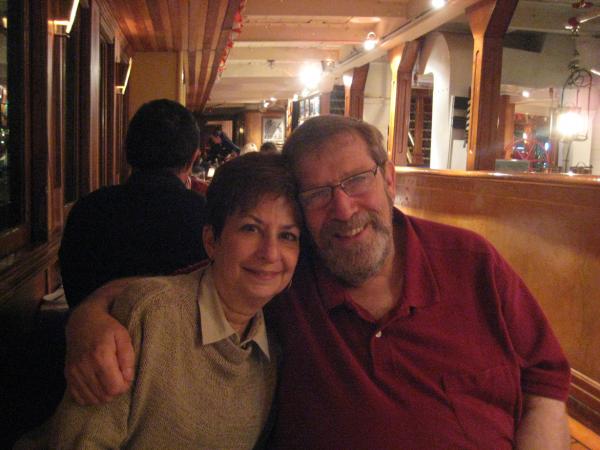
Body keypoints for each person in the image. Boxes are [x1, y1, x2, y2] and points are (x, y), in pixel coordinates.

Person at [64, 115, 571, 449]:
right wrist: (88, 318)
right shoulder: (288, 275)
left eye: (356, 181)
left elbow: (546, 383)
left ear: (389, 179)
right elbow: (183, 290)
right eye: (318, 194)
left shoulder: (471, 261)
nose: (343, 209)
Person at [24, 153, 301, 448]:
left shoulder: (273, 351)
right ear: (211, 241)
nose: (270, 253)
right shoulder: (149, 315)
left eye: (287, 236)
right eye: (250, 228)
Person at [59, 99, 208, 309]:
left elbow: (76, 295)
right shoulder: (207, 215)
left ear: (127, 151)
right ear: (193, 158)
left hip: (92, 328)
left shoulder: (87, 210)